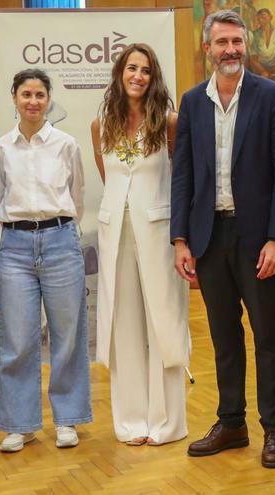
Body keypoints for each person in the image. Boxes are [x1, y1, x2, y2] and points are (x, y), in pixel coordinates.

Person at [171, 9, 275, 469]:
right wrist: (180, 238)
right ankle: (231, 422)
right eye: (222, 42)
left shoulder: (271, 97)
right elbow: (182, 173)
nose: (230, 50)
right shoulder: (192, 102)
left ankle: (273, 430)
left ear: (245, 46)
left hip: (256, 238)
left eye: (237, 42)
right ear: (207, 48)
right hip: (207, 237)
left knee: (267, 335)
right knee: (224, 336)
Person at [91, 43, 190, 447]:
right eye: (131, 68)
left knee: (163, 323)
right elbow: (108, 177)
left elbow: (182, 181)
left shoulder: (169, 122)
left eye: (146, 70)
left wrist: (182, 237)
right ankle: (130, 421)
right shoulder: (102, 124)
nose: (138, 76)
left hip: (160, 232)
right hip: (115, 232)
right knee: (123, 324)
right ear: (119, 73)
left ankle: (166, 423)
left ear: (154, 77)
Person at [0, 68, 91, 453]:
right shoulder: (1, 148)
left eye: (40, 95)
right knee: (17, 339)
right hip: (15, 246)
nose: (33, 101)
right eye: (26, 94)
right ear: (14, 98)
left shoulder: (66, 144)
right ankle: (20, 423)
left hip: (60, 240)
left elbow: (77, 196)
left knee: (68, 335)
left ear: (49, 100)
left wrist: (56, 228)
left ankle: (67, 419)